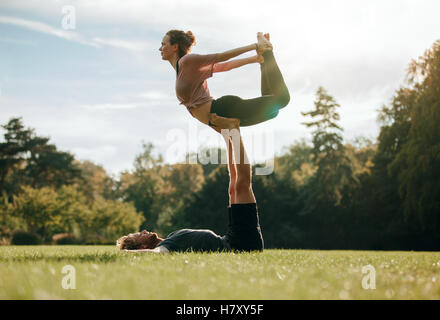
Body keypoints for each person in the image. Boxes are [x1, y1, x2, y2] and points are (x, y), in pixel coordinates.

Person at [117, 129, 264, 253]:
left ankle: (229, 135)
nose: (143, 231)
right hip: (240, 244)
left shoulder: (170, 237)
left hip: (231, 237)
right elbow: (154, 254)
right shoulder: (166, 247)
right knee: (242, 184)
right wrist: (127, 253)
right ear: (142, 246)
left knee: (233, 188)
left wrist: (226, 136)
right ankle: (235, 133)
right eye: (139, 235)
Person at [159, 30, 290, 129]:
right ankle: (264, 59)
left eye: (163, 44)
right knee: (272, 112)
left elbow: (221, 57)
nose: (160, 48)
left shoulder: (187, 61)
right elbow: (224, 67)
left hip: (223, 109)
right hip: (220, 118)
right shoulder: (182, 70)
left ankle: (267, 51)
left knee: (282, 100)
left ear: (175, 46)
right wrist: (255, 59)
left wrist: (255, 46)